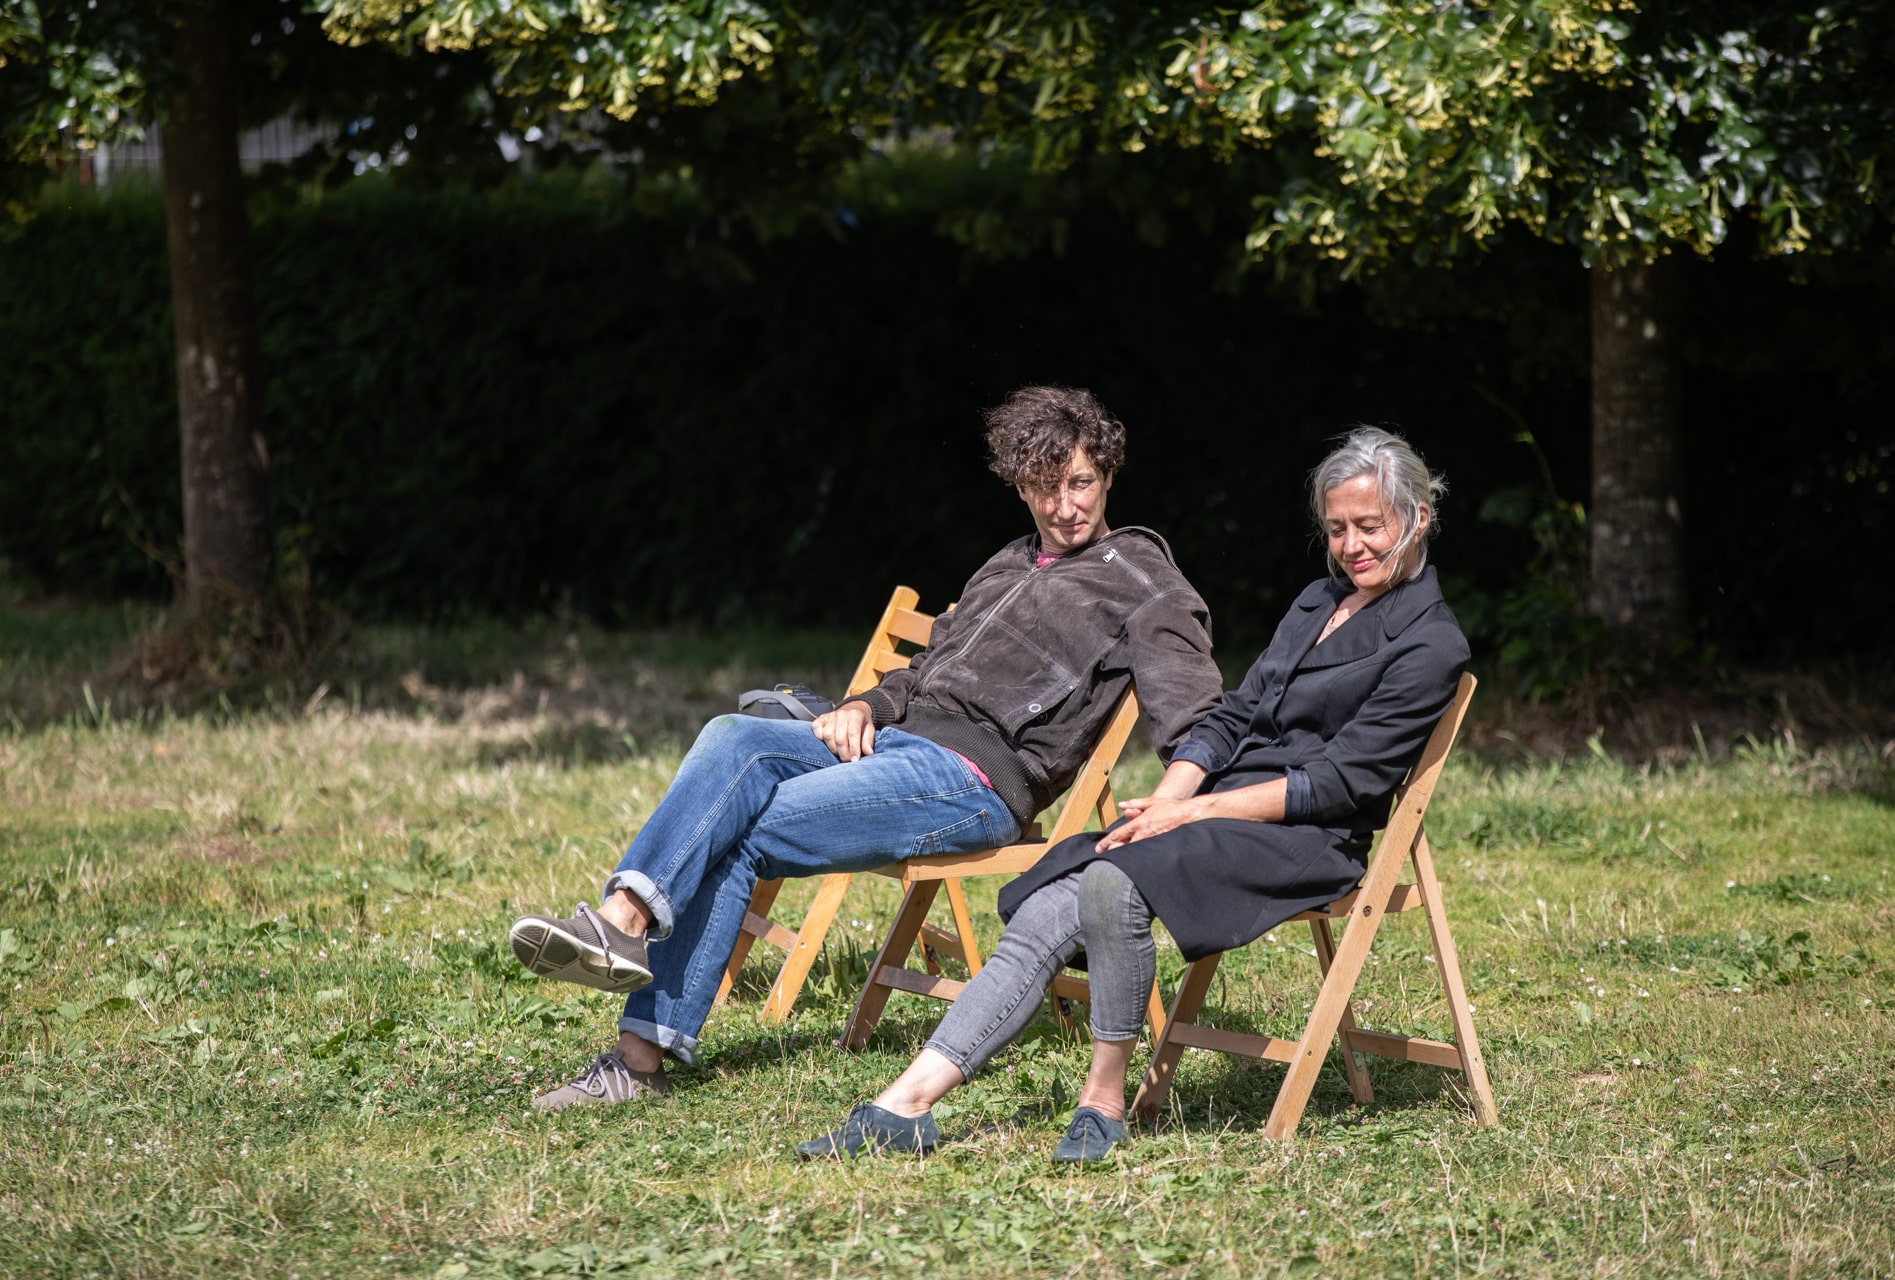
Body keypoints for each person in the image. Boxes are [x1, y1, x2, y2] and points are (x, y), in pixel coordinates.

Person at [509, 386, 1223, 1110]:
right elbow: (928, 666)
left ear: (1108, 476)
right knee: (734, 736)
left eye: (1080, 484)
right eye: (1044, 488)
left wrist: (1176, 804)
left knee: (738, 828)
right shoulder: (1010, 561)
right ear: (1018, 486)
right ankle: (622, 922)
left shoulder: (1144, 583)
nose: (1064, 507)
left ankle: (635, 1063)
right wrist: (863, 706)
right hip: (893, 741)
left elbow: (1198, 716)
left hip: (970, 779)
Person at [799, 425, 1469, 1164]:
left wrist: (1193, 810)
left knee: (1113, 882)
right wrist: (1167, 800)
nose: (1351, 546)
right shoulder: (1319, 601)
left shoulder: (1430, 643)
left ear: (1418, 518)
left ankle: (1104, 1101)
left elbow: (1339, 783)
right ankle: (905, 1105)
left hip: (1309, 834)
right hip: (1223, 809)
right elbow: (1235, 715)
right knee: (1058, 900)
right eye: (1337, 529)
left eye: (1369, 527)